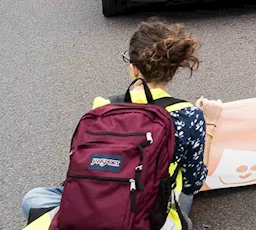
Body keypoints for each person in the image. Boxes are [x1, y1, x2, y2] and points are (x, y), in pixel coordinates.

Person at [20, 19, 221, 226]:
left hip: (100, 200)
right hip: (150, 213)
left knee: (33, 198)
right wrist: (210, 123)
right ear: (174, 69)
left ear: (133, 69)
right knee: (181, 196)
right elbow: (193, 183)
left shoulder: (102, 106)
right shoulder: (188, 115)